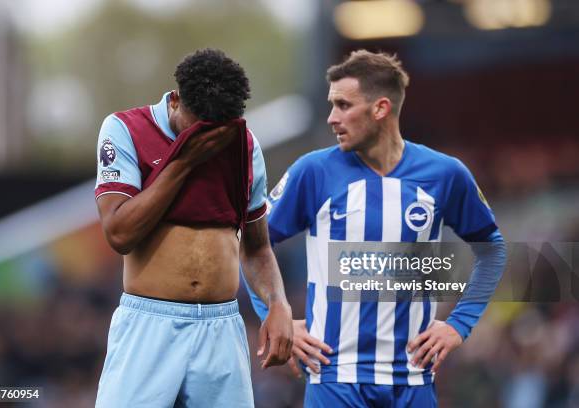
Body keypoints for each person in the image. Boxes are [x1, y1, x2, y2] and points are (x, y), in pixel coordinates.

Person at [247, 50, 506, 407]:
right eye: (331, 105)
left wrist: (459, 324)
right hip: (334, 377)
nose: (331, 118)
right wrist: (276, 318)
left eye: (343, 105)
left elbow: (492, 249)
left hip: (413, 380)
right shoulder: (313, 172)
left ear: (381, 108)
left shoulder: (445, 175)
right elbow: (252, 246)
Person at [94, 49, 293, 408]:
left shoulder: (244, 146)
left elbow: (257, 246)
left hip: (221, 328)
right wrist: (184, 162)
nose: (210, 136)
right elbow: (119, 233)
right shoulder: (124, 129)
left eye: (218, 127)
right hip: (149, 324)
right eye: (198, 125)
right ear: (175, 101)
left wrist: (277, 304)